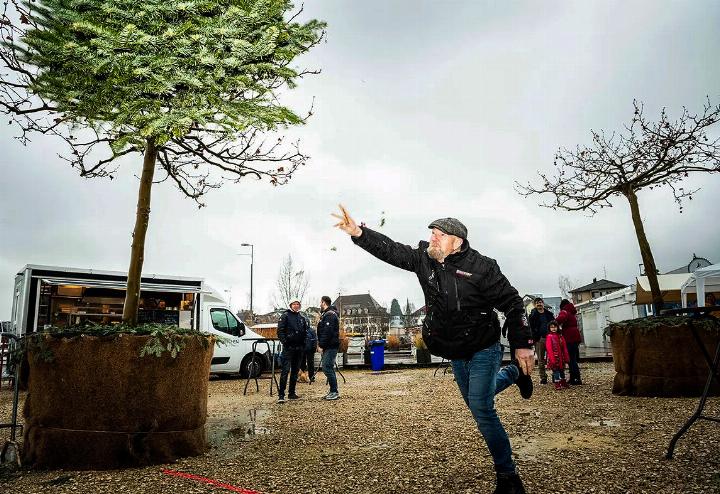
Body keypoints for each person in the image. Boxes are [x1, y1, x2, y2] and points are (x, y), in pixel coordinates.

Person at [333, 205, 534, 494]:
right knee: (478, 400)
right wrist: (359, 233)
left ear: (458, 241)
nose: (432, 239)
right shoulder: (424, 260)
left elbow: (514, 304)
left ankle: (508, 478)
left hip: (483, 346)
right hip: (454, 349)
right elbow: (391, 250)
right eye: (431, 233)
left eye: (439, 235)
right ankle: (514, 374)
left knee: (481, 407)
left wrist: (523, 345)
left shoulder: (482, 267)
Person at [276, 300, 308, 403]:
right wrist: (286, 343)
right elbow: (280, 331)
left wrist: (304, 344)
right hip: (288, 348)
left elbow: (305, 331)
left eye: (298, 304)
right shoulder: (285, 316)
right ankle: (281, 394)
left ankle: (292, 393)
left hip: (299, 349)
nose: (296, 306)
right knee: (285, 371)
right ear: (290, 305)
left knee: (295, 372)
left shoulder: (302, 318)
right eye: (294, 304)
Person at [317, 295, 340, 400]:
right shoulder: (327, 314)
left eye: (320, 302)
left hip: (330, 346)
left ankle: (334, 391)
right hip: (330, 345)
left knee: (327, 367)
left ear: (323, 302)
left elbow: (327, 332)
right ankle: (332, 391)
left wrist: (321, 345)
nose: (320, 304)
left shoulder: (329, 315)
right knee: (328, 367)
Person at [528, 297, 554, 384]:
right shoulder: (532, 315)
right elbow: (530, 327)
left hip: (550, 338)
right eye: (537, 303)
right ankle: (543, 377)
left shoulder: (549, 314)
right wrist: (534, 337)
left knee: (553, 357)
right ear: (535, 305)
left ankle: (555, 375)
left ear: (543, 303)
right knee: (540, 359)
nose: (539, 304)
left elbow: (554, 324)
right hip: (539, 339)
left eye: (540, 302)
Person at [556, 299, 582, 385]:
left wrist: (553, 323)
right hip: (575, 336)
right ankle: (575, 378)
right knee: (573, 358)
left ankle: (575, 379)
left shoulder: (564, 311)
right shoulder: (572, 312)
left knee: (571, 359)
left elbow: (560, 319)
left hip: (569, 337)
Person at [545, 320, 570, 390]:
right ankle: (557, 384)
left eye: (555, 327)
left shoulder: (560, 336)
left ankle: (563, 382)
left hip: (561, 357)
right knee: (556, 371)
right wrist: (552, 359)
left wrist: (566, 357)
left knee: (562, 370)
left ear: (557, 327)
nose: (553, 328)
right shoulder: (549, 336)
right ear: (549, 328)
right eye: (551, 327)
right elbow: (549, 349)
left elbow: (564, 348)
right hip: (554, 357)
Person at [300, 314, 318, 383]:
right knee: (302, 364)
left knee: (311, 364)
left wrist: (314, 348)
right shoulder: (300, 330)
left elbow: (315, 340)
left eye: (306, 322)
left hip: (310, 350)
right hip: (302, 350)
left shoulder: (312, 331)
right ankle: (302, 377)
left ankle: (311, 376)